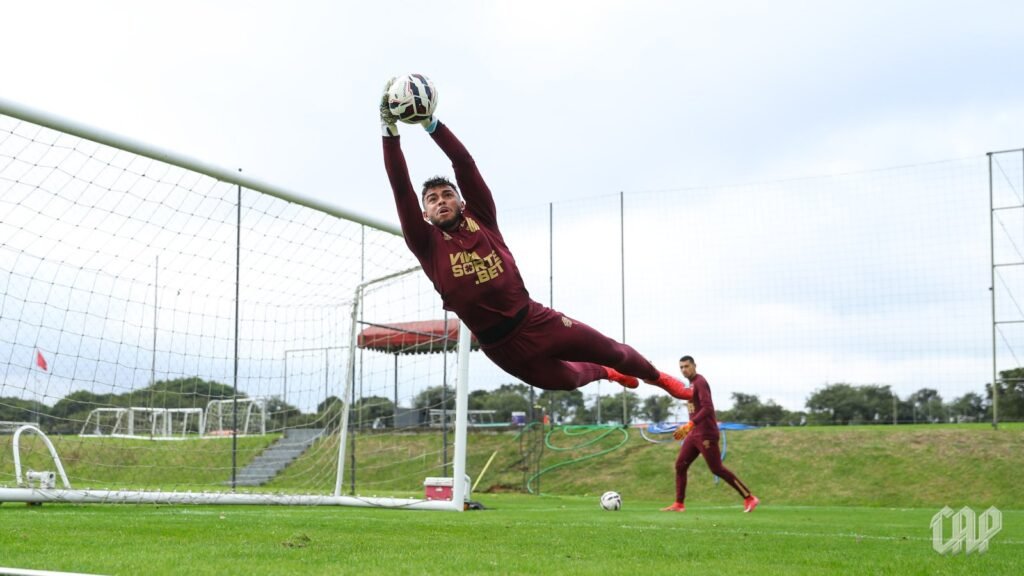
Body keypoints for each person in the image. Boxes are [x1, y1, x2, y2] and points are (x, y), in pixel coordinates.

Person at [379, 80, 687, 399]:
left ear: (461, 202)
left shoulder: (480, 217)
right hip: (501, 348)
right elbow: (401, 188)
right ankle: (606, 375)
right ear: (425, 214)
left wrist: (432, 124)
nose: (441, 200)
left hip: (536, 320)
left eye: (447, 194)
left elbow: (464, 165)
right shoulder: (425, 243)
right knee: (568, 380)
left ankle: (658, 377)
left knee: (614, 350)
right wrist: (389, 130)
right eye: (432, 199)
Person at [662, 355, 759, 513]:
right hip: (694, 434)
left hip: (706, 433)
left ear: (694, 366)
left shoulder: (700, 382)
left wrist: (691, 423)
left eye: (687, 366)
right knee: (680, 465)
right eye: (681, 367)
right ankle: (679, 504)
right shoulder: (691, 384)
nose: (684, 370)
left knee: (717, 469)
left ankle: (749, 497)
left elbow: (707, 408)